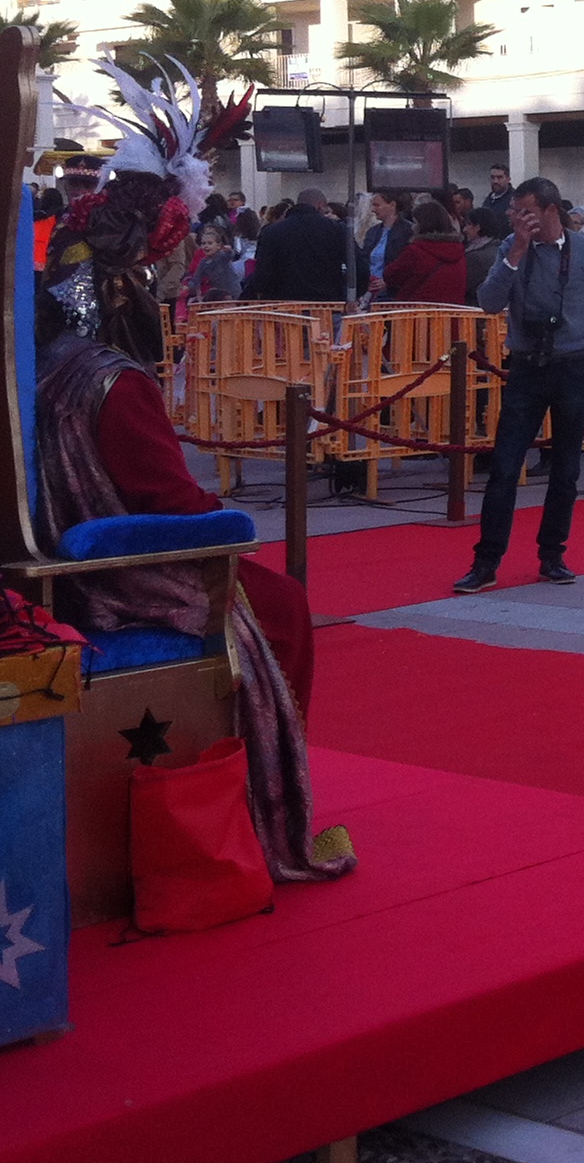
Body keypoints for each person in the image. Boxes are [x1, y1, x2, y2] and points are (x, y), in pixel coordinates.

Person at [31, 61, 350, 887]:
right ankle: (267, 801)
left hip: (57, 554)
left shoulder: (46, 362)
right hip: (118, 571)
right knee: (283, 606)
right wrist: (224, 523)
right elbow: (169, 502)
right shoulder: (115, 382)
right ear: (129, 286)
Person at [453, 177, 584, 594]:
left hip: (573, 367)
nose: (517, 218)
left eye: (525, 212)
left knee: (566, 469)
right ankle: (486, 562)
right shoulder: (509, 248)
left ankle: (552, 555)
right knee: (504, 467)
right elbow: (488, 302)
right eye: (515, 212)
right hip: (526, 368)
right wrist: (515, 252)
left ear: (551, 210)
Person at [246, 187, 351, 301]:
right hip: (327, 304)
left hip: (284, 304)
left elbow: (263, 274)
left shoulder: (271, 231)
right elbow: (358, 267)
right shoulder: (337, 229)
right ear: (320, 205)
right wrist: (348, 296)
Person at [384, 196, 467, 302]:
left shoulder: (415, 251)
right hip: (452, 310)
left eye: (415, 223)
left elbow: (390, 275)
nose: (413, 227)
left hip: (418, 309)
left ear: (422, 225)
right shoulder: (459, 250)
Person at [359, 190, 414, 299]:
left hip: (394, 293)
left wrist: (390, 281)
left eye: (377, 205)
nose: (373, 209)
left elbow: (408, 264)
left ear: (392, 205)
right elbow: (364, 259)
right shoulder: (372, 231)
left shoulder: (409, 231)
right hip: (371, 290)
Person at [463, 204, 509, 300]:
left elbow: (463, 285)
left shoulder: (475, 258)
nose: (464, 229)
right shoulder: (498, 248)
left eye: (468, 224)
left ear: (478, 227)